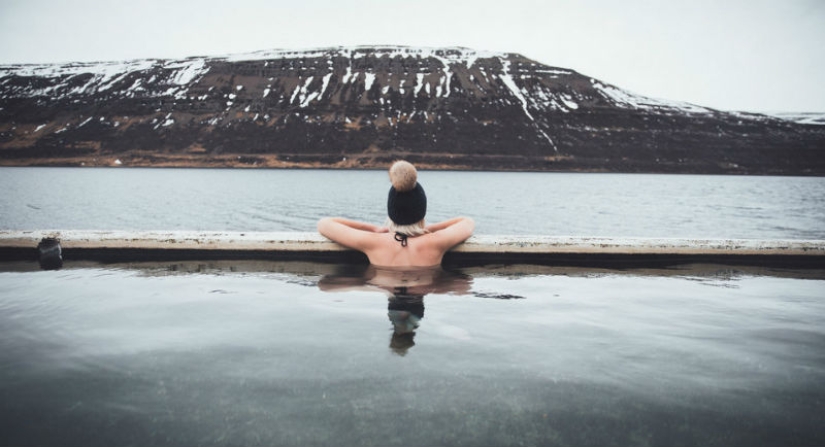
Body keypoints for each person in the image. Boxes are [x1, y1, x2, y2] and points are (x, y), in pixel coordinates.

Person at [317, 160, 474, 267]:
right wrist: (430, 230)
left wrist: (374, 229)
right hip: (423, 285)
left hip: (386, 283)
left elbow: (324, 224)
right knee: (463, 286)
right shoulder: (436, 242)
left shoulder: (373, 242)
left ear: (391, 212)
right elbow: (467, 222)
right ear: (421, 213)